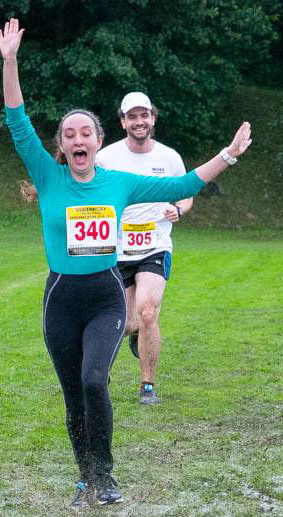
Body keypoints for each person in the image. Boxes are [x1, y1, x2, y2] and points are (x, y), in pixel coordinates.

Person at [0, 18, 252, 508]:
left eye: (85, 132)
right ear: (62, 145)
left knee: (96, 381)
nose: (78, 139)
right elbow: (15, 118)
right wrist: (10, 61)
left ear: (97, 142)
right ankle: (83, 477)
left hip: (105, 295)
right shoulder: (49, 178)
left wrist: (229, 155)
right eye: (69, 133)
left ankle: (106, 476)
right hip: (61, 300)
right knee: (74, 394)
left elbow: (182, 186)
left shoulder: (118, 181)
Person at [95, 92, 192, 405]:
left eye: (144, 115)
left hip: (155, 246)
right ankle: (124, 344)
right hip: (116, 249)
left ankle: (147, 386)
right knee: (122, 321)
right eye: (132, 116)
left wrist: (180, 209)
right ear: (123, 121)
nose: (139, 121)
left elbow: (187, 192)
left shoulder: (169, 157)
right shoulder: (106, 157)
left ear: (153, 118)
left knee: (148, 312)